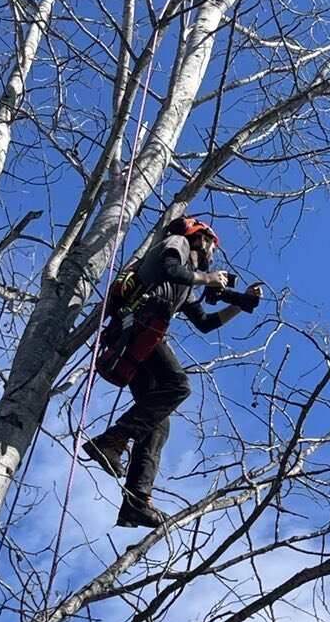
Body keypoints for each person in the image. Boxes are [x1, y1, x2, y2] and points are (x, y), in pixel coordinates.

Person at [82, 218, 263, 528]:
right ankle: (112, 439)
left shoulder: (185, 284)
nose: (211, 254)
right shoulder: (176, 244)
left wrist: (240, 305)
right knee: (178, 385)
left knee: (157, 424)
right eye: (210, 246)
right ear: (200, 239)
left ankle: (136, 502)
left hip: (140, 333)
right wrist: (207, 278)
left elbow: (205, 323)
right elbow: (170, 269)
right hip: (141, 323)